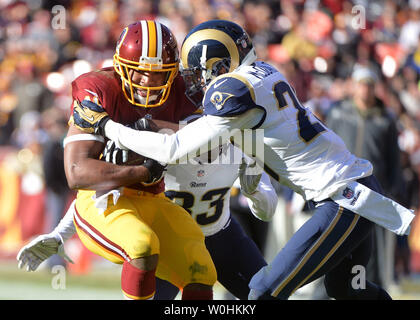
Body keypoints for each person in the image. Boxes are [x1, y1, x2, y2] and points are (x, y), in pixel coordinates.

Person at [72, 19, 415, 300]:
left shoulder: (232, 95)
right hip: (355, 187)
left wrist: (105, 125)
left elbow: (171, 150)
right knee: (345, 288)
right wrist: (252, 185)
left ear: (219, 66)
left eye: (199, 72)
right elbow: (263, 206)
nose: (196, 83)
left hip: (343, 198)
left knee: (262, 292)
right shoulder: (261, 81)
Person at [37, 20, 218, 300]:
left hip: (155, 200)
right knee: (141, 245)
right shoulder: (99, 89)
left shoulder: (183, 91)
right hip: (103, 200)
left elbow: (213, 146)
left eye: (159, 74)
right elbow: (77, 172)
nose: (148, 81)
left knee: (201, 269)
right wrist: (143, 170)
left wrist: (151, 127)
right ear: (121, 67)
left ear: (173, 74)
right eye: (139, 72)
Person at [17, 130, 278, 300]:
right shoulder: (164, 144)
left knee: (268, 296)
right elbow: (100, 198)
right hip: (171, 244)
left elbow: (266, 212)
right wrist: (60, 234)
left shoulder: (245, 141)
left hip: (221, 234)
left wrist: (253, 189)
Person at [326, 67, 405, 290]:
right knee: (336, 244)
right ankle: (329, 290)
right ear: (353, 85)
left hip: (374, 191)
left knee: (373, 249)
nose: (365, 89)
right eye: (361, 83)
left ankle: (372, 290)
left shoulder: (386, 119)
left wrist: (394, 190)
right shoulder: (339, 112)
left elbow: (394, 159)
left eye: (369, 84)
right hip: (343, 188)